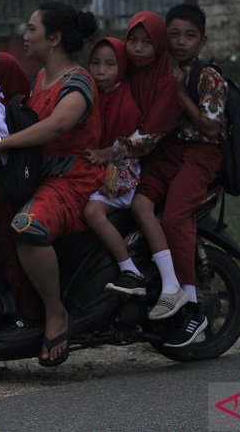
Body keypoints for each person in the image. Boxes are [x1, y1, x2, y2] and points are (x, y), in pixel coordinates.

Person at [0, 1, 102, 367]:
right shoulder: (43, 77)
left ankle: (55, 312)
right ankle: (23, 312)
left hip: (73, 181)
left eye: (32, 30)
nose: (24, 36)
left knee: (28, 226)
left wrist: (1, 144)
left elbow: (57, 126)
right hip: (41, 178)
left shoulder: (78, 83)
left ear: (55, 38)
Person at [130, 3, 228, 347]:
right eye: (174, 35)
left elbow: (212, 128)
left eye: (189, 36)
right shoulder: (160, 71)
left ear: (202, 40)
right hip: (169, 151)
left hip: (202, 153)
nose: (181, 42)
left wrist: (180, 93)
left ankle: (191, 301)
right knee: (139, 201)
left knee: (175, 216)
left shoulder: (207, 77)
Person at [98, 11, 183, 299]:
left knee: (140, 207)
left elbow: (149, 137)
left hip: (159, 159)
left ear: (159, 45)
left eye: (146, 42)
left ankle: (170, 284)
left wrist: (111, 150)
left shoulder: (167, 83)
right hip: (127, 159)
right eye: (132, 40)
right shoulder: (127, 74)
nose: (137, 48)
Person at [82, 37, 145, 295]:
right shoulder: (95, 96)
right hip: (101, 164)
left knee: (92, 212)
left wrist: (105, 153)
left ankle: (129, 269)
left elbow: (130, 144)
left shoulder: (126, 100)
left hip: (122, 171)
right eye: (95, 63)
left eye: (110, 64)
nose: (100, 71)